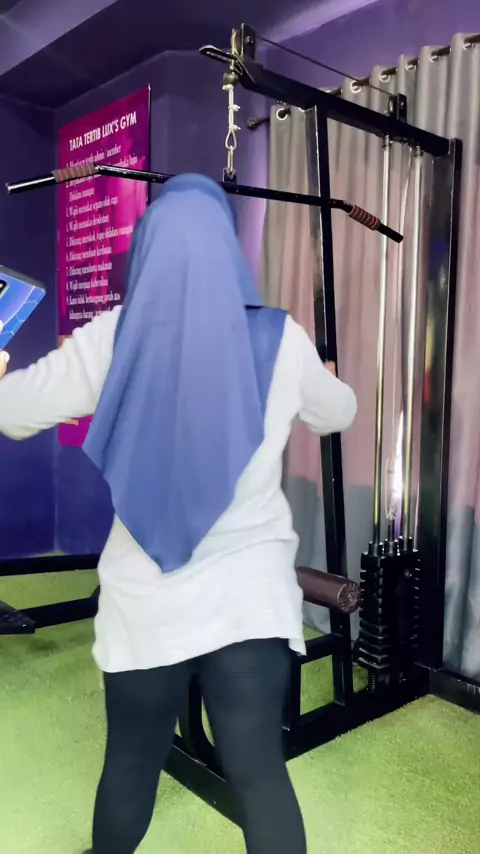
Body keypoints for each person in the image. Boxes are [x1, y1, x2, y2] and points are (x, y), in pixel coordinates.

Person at [0, 174, 357, 854]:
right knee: (260, 775)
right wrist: (319, 375)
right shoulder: (282, 339)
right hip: (249, 603)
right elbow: (339, 412)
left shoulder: (113, 336)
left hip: (146, 607)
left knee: (130, 765)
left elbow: (12, 413)